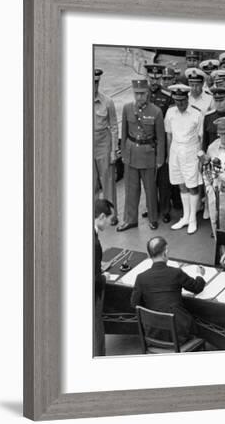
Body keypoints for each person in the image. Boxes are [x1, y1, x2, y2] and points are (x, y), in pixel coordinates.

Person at [130, 236, 206, 343]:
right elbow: (197, 287)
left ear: (148, 255)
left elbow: (134, 303)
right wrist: (199, 275)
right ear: (165, 252)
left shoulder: (141, 278)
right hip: (179, 331)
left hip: (153, 333)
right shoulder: (175, 273)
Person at [117, 79, 165, 232]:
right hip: (131, 153)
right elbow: (124, 133)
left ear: (147, 93)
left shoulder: (156, 112)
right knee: (131, 189)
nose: (139, 97)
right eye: (136, 94)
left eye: (142, 94)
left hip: (148, 154)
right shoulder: (127, 109)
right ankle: (130, 219)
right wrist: (123, 153)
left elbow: (161, 138)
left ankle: (152, 218)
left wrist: (160, 159)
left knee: (150, 189)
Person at [164, 84, 204, 234]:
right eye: (177, 100)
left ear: (187, 98)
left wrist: (200, 157)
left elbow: (201, 137)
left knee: (192, 185)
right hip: (175, 150)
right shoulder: (170, 112)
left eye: (182, 100)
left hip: (191, 151)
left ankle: (193, 218)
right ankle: (185, 216)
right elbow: (169, 134)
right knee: (181, 184)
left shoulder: (196, 114)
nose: (179, 104)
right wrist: (169, 155)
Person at [143, 63, 174, 224]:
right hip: (146, 144)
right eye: (151, 78)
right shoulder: (142, 95)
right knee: (149, 180)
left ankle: (165, 210)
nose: (154, 81)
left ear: (161, 78)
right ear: (147, 77)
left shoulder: (167, 97)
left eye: (157, 78)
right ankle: (151, 208)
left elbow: (170, 123)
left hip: (161, 143)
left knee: (163, 180)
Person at [93, 69, 119, 226]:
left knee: (108, 182)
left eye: (96, 83)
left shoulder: (107, 102)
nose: (93, 86)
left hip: (104, 143)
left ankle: (111, 215)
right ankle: (95, 215)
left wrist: (113, 151)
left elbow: (114, 126)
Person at [93, 198, 115, 356]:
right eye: (109, 219)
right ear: (101, 216)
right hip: (93, 297)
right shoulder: (94, 244)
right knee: (96, 329)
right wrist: (103, 277)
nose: (109, 223)